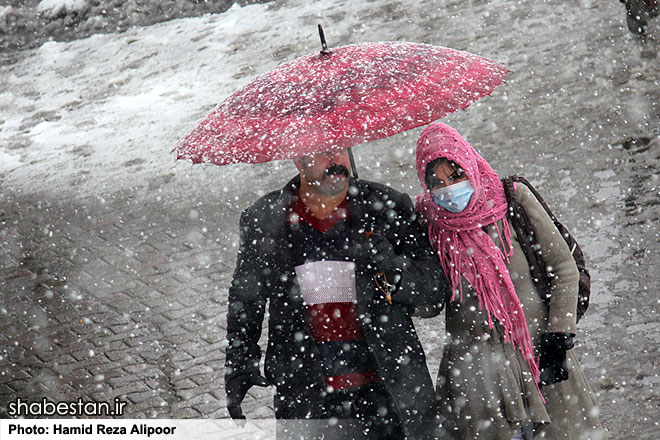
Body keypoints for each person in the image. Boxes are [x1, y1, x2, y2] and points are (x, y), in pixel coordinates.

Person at [224, 148, 449, 439]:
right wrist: (240, 359)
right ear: (297, 157)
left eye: (341, 149)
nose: (336, 161)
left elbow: (434, 287)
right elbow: (246, 295)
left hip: (391, 390)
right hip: (307, 392)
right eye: (323, 152)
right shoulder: (266, 218)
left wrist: (395, 268)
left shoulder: (386, 206)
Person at [413, 122, 606, 440]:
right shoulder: (427, 223)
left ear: (470, 165)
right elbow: (430, 303)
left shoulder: (511, 199)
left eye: (456, 174)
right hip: (475, 378)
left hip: (540, 356)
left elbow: (563, 267)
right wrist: (396, 278)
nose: (448, 188)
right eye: (437, 182)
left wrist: (558, 338)